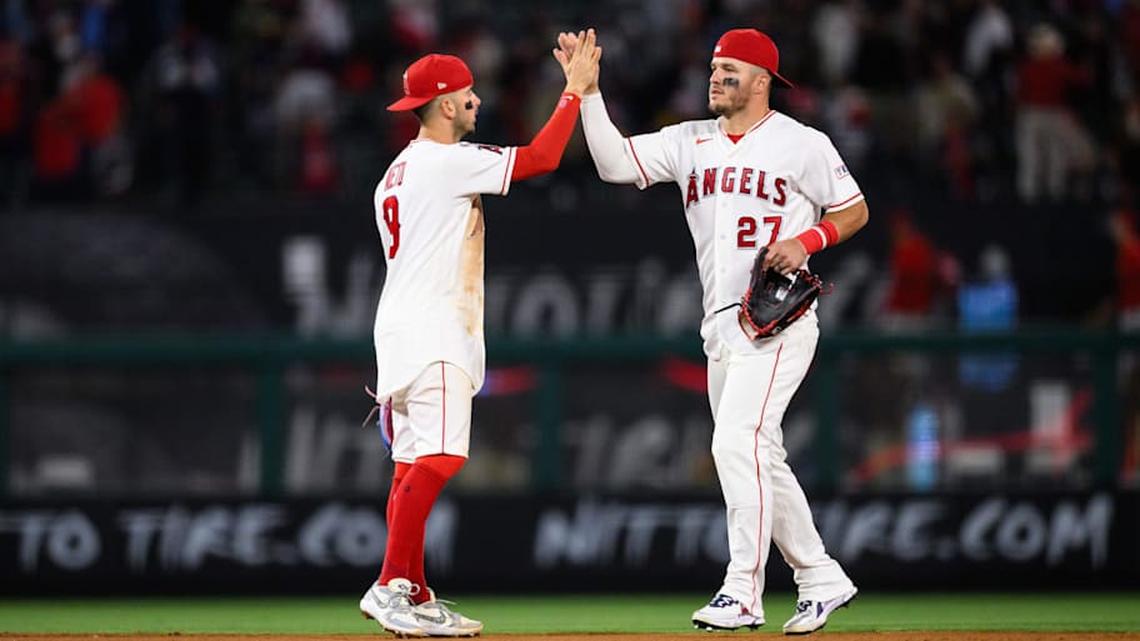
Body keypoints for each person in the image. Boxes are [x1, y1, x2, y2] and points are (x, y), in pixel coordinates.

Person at [558, 28, 865, 635]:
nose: (715, 77)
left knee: (735, 444)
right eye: (714, 67)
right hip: (722, 325)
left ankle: (742, 592)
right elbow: (615, 163)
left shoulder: (801, 143)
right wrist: (589, 96)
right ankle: (821, 576)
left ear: (761, 81)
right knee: (760, 455)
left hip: (780, 319)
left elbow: (853, 208)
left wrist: (808, 240)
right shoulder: (690, 140)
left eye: (729, 70)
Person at [359, 31, 601, 638]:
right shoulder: (445, 161)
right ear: (443, 103)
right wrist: (573, 92)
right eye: (466, 94)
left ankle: (413, 592)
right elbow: (542, 159)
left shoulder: (397, 170)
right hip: (436, 327)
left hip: (400, 326)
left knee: (410, 463)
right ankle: (391, 584)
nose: (475, 102)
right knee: (442, 456)